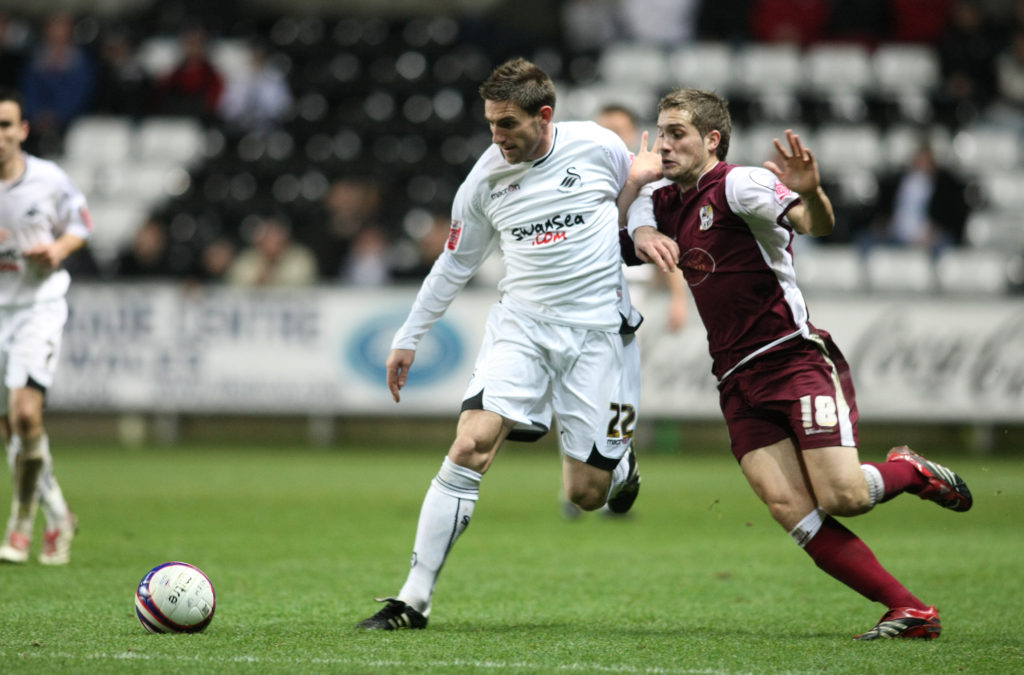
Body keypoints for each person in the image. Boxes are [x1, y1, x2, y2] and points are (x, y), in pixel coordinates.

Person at [621, 88, 973, 640]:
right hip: (735, 380)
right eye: (660, 132)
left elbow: (816, 224)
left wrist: (813, 192)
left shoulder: (739, 183)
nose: (664, 145)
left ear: (712, 140)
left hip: (791, 359)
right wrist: (638, 204)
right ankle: (909, 609)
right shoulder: (663, 198)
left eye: (677, 134)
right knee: (790, 507)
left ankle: (911, 470)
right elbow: (624, 234)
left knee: (845, 497)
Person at [356, 57, 644, 631]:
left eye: (508, 124)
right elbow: (454, 263)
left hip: (599, 338)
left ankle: (619, 467)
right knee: (471, 444)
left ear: (544, 115)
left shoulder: (597, 146)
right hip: (523, 329)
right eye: (490, 123)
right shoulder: (485, 180)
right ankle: (412, 600)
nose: (497, 136)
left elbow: (642, 186)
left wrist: (648, 228)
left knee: (585, 494)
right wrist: (409, 336)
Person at [0, 88, 92, 564]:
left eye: (5, 126)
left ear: (22, 131)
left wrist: (57, 250)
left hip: (38, 306)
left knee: (26, 415)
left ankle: (18, 527)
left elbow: (81, 224)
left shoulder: (47, 179)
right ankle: (58, 513)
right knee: (13, 430)